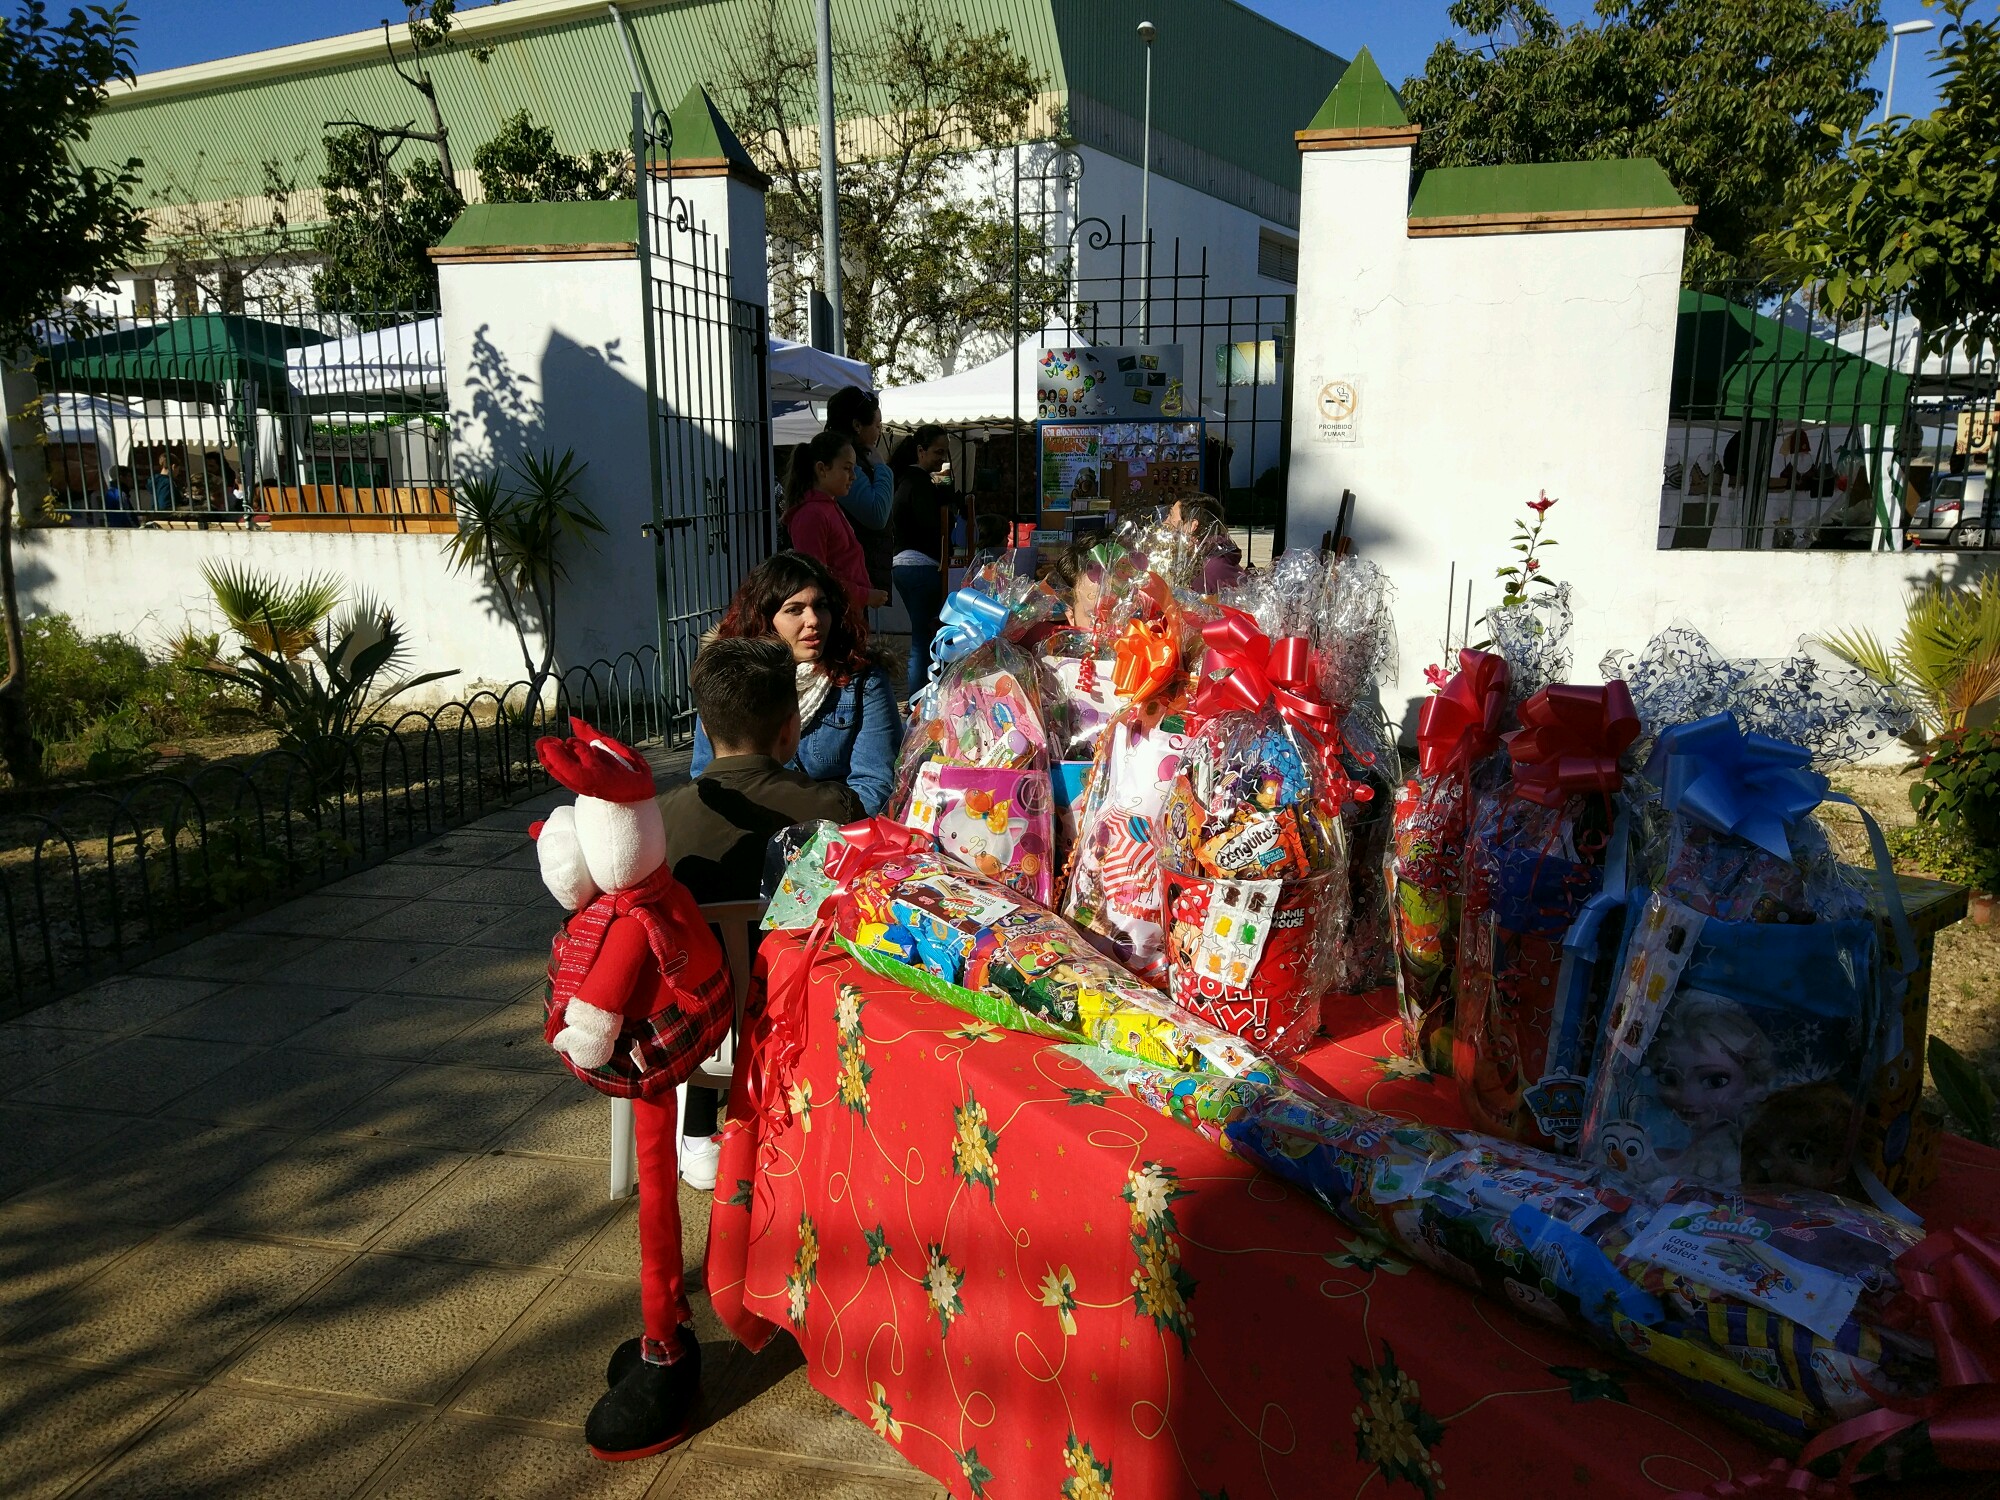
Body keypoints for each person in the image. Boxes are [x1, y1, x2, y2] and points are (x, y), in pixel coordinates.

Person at [659, 636, 863, 1189]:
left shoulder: (660, 820)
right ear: (791, 727)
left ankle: (696, 1134)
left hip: (696, 1024)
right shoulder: (831, 809)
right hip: (803, 1023)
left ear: (705, 726)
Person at [691, 552, 904, 814]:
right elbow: (706, 777)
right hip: (749, 832)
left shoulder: (861, 680)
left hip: (834, 839)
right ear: (764, 619)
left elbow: (873, 785)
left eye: (821, 605)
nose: (813, 620)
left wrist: (809, 843)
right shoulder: (728, 680)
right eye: (794, 610)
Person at [781, 430, 885, 608]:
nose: (853, 476)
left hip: (845, 612)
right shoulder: (812, 514)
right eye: (846, 468)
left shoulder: (827, 507)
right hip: (832, 616)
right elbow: (816, 577)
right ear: (822, 469)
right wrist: (864, 595)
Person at [889, 424, 952, 698]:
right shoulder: (918, 482)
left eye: (945, 452)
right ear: (920, 451)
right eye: (938, 452)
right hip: (920, 566)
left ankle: (918, 699)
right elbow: (935, 524)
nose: (942, 458)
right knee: (922, 640)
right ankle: (918, 701)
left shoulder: (908, 480)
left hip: (905, 565)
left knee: (922, 638)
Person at [826, 385, 895, 599]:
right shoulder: (845, 465)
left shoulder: (842, 461)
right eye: (877, 425)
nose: (879, 431)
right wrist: (882, 468)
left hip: (847, 582)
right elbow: (876, 514)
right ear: (857, 425)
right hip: (845, 585)